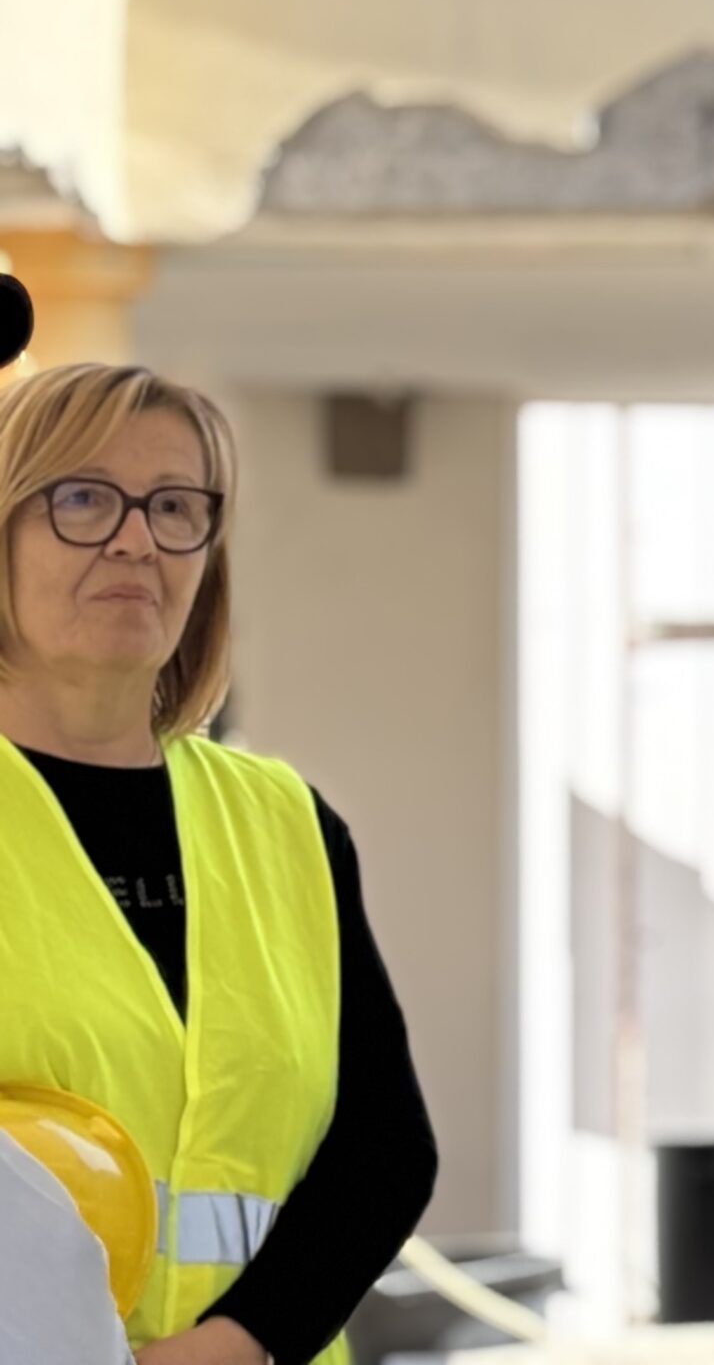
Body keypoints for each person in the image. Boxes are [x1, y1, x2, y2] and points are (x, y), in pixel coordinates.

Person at [0, 363, 438, 1365]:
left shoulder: (289, 826)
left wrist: (238, 1345)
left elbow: (383, 1148)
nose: (135, 540)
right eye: (82, 499)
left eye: (174, 507)